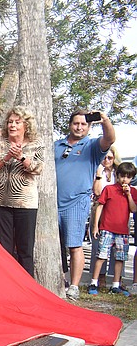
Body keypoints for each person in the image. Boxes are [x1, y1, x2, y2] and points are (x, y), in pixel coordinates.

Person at [54, 109, 115, 299]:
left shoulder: (92, 146)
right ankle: (59, 282)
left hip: (76, 203)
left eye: (83, 124)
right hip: (52, 204)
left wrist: (104, 120)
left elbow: (110, 139)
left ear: (88, 127)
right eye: (75, 123)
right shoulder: (56, 145)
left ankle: (74, 286)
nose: (79, 127)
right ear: (69, 125)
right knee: (54, 246)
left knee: (74, 245)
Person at [0, 107, 45, 277]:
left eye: (17, 122)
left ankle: (27, 288)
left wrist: (22, 157)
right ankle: (3, 286)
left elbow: (38, 168)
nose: (12, 125)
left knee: (25, 250)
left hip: (25, 204)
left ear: (26, 125)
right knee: (3, 250)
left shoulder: (36, 143)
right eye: (10, 122)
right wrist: (6, 158)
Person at [88, 161, 137, 296]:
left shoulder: (133, 192)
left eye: (128, 177)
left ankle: (116, 285)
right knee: (101, 256)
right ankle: (94, 282)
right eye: (122, 176)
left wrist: (128, 195)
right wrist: (96, 226)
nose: (125, 179)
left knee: (120, 258)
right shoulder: (109, 189)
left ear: (132, 178)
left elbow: (134, 209)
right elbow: (100, 206)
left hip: (122, 231)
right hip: (107, 228)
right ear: (117, 175)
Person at [89, 146, 120, 288]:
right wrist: (98, 174)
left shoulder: (119, 173)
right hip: (100, 208)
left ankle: (116, 278)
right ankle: (99, 277)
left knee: (118, 246)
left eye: (110, 158)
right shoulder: (96, 170)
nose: (106, 160)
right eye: (104, 157)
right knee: (98, 244)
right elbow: (97, 192)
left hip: (116, 210)